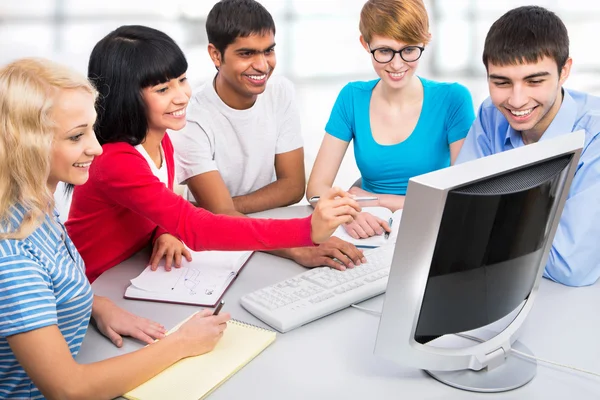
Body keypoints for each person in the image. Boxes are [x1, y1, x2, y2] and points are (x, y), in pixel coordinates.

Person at [0, 57, 233, 399]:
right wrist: (180, 344)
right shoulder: (12, 255)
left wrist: (95, 303)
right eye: (76, 136)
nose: (95, 148)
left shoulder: (34, 207)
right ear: (27, 143)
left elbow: (44, 285)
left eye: (91, 129)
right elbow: (68, 388)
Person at [65, 25, 360, 282]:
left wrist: (163, 231)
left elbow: (152, 207)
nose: (182, 96)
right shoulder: (116, 159)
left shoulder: (161, 139)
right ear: (126, 96)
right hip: (93, 287)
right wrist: (307, 230)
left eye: (182, 80)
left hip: (132, 273)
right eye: (163, 89)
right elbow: (195, 227)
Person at [172, 0, 365, 271]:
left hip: (268, 226)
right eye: (247, 53)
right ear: (216, 55)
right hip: (220, 248)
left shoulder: (280, 91)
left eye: (269, 51)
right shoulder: (191, 117)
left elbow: (293, 186)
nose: (262, 65)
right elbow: (222, 218)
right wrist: (298, 245)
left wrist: (225, 208)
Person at [456, 6, 600, 287]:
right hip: (502, 287)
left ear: (564, 70)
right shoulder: (491, 113)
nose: (517, 100)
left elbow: (571, 267)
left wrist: (490, 221)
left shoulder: (594, 135)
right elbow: (458, 216)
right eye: (501, 82)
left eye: (534, 81)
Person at [306, 0, 475, 240]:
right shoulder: (352, 97)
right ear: (365, 44)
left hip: (432, 225)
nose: (397, 64)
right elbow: (316, 189)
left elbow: (463, 196)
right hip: (368, 226)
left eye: (408, 50)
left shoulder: (453, 98)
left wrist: (373, 200)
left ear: (425, 40)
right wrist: (350, 213)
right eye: (384, 51)